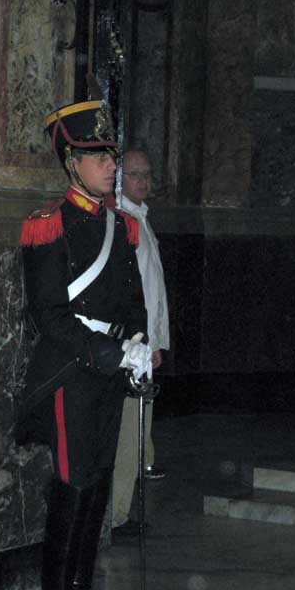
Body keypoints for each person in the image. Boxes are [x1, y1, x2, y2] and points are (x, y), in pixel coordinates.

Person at [16, 101, 152, 590]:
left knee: (96, 485)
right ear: (72, 161)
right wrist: (103, 351)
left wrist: (138, 346)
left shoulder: (122, 226)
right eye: (98, 156)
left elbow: (133, 299)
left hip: (110, 369)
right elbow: (46, 314)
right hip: (72, 370)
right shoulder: (49, 225)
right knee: (73, 484)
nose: (110, 165)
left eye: (111, 155)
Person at [111, 147, 170, 538]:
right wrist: (141, 345)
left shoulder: (141, 217)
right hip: (131, 349)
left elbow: (154, 291)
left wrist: (158, 342)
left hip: (145, 349)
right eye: (134, 175)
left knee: (137, 434)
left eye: (147, 174)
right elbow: (128, 295)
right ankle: (113, 519)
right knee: (126, 440)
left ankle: (120, 511)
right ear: (119, 179)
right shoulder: (120, 222)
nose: (143, 181)